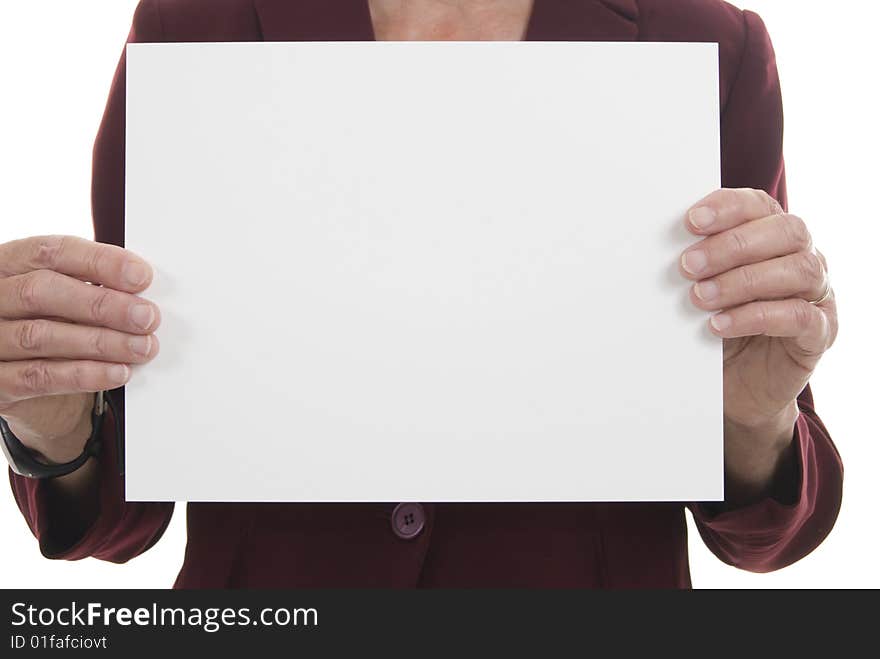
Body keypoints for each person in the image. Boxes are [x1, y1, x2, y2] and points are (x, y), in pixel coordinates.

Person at [2, 0, 842, 588]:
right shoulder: (187, 31)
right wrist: (55, 432)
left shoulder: (705, 44)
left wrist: (753, 424)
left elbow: (768, 539)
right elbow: (123, 510)